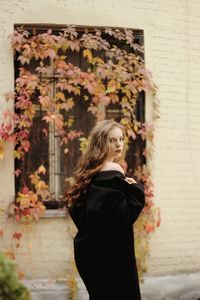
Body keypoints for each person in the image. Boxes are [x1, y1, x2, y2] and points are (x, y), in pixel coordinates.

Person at [66, 119, 145, 300]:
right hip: (114, 256)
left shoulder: (89, 172)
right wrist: (136, 191)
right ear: (101, 143)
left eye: (121, 139)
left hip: (91, 253)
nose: (119, 144)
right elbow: (124, 215)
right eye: (112, 140)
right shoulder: (114, 169)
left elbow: (79, 212)